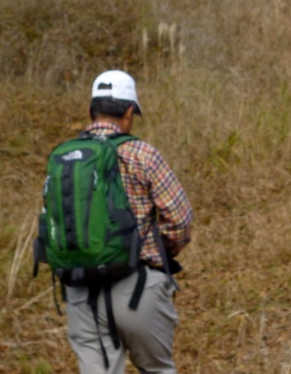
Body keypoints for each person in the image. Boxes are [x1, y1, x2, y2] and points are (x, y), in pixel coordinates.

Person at [62, 70, 194, 374]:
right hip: (138, 288)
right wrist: (160, 250)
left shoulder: (67, 157)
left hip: (81, 291)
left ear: (90, 110)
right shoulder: (143, 155)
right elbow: (180, 220)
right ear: (129, 111)